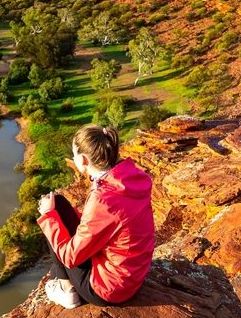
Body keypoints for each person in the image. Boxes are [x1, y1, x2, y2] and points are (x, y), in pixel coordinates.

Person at [37, 125, 155, 308]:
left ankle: (66, 290)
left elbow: (69, 257)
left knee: (53, 214)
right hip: (133, 275)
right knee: (59, 202)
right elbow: (106, 223)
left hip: (108, 289)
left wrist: (48, 216)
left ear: (83, 160)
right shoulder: (130, 179)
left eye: (74, 154)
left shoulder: (104, 199)